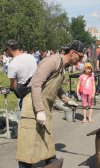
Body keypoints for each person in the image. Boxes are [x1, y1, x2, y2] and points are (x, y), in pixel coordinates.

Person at [16, 40, 84, 168]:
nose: (80, 60)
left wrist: (67, 100)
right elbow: (36, 84)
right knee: (28, 150)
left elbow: (55, 87)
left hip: (43, 108)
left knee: (48, 148)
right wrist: (40, 110)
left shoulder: (62, 66)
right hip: (32, 107)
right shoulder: (52, 61)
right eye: (80, 56)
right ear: (73, 52)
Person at [5, 39, 37, 109]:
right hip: (37, 91)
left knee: (24, 116)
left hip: (24, 93)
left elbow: (13, 85)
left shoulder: (12, 64)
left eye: (5, 50)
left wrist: (10, 88)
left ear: (9, 49)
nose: (6, 52)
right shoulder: (31, 56)